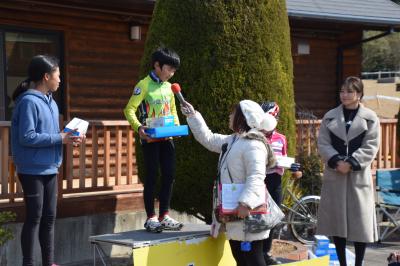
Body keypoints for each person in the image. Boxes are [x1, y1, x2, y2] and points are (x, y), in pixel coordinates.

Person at [181, 99, 277, 266]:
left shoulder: (254, 143)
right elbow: (209, 139)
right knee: (240, 258)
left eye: (234, 113)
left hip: (249, 213)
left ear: (243, 117)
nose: (230, 115)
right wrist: (193, 115)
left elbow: (256, 177)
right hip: (234, 213)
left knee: (254, 259)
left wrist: (246, 203)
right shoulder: (233, 140)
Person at [11, 55, 84, 266]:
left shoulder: (51, 103)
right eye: (58, 75)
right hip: (32, 169)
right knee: (34, 217)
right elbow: (27, 136)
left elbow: (52, 135)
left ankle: (49, 262)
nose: (60, 80)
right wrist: (60, 137)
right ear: (46, 76)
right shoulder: (27, 102)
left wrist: (69, 137)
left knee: (49, 217)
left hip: (51, 167)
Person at [316, 76, 380, 266]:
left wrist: (351, 162)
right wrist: (336, 161)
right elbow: (323, 143)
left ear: (359, 94)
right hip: (335, 175)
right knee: (337, 223)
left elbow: (371, 145)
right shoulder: (329, 117)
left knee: (360, 223)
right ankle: (343, 263)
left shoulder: (370, 118)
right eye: (342, 91)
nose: (344, 95)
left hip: (358, 176)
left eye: (349, 91)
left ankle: (358, 263)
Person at [124, 47, 183, 232]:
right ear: (157, 65)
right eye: (169, 69)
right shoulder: (143, 85)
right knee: (151, 177)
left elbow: (172, 110)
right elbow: (129, 109)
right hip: (150, 139)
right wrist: (139, 128)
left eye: (174, 70)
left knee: (169, 175)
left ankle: (164, 215)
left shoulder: (169, 87)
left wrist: (177, 126)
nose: (171, 74)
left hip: (167, 138)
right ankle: (151, 218)